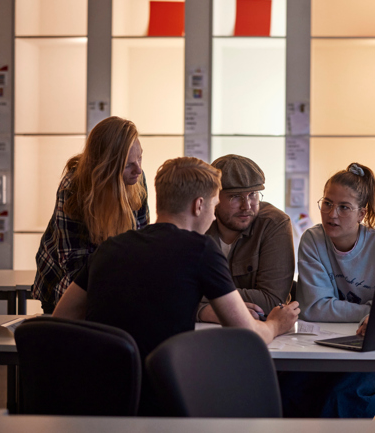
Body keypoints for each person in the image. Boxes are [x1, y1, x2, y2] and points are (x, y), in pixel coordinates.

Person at [53, 156, 300, 415]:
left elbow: (62, 318)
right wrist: (275, 324)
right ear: (199, 205)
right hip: (161, 399)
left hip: (95, 397)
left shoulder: (109, 249)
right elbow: (248, 335)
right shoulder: (200, 250)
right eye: (216, 203)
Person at [282, 162, 375, 418]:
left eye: (344, 207)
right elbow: (313, 308)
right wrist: (370, 312)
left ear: (362, 213)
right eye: (327, 203)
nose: (332, 214)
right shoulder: (313, 240)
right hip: (328, 345)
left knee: (345, 394)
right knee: (289, 387)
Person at [33, 116, 149, 314]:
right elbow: (74, 264)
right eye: (129, 164)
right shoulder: (74, 186)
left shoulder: (136, 180)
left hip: (111, 279)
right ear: (107, 166)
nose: (138, 169)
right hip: (64, 283)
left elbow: (142, 242)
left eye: (140, 158)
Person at [197, 154, 295, 323]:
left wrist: (200, 298)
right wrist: (205, 312)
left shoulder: (274, 224)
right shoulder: (198, 222)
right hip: (203, 329)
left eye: (252, 195)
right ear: (214, 196)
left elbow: (272, 301)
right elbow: (172, 293)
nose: (246, 206)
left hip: (263, 331)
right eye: (235, 197)